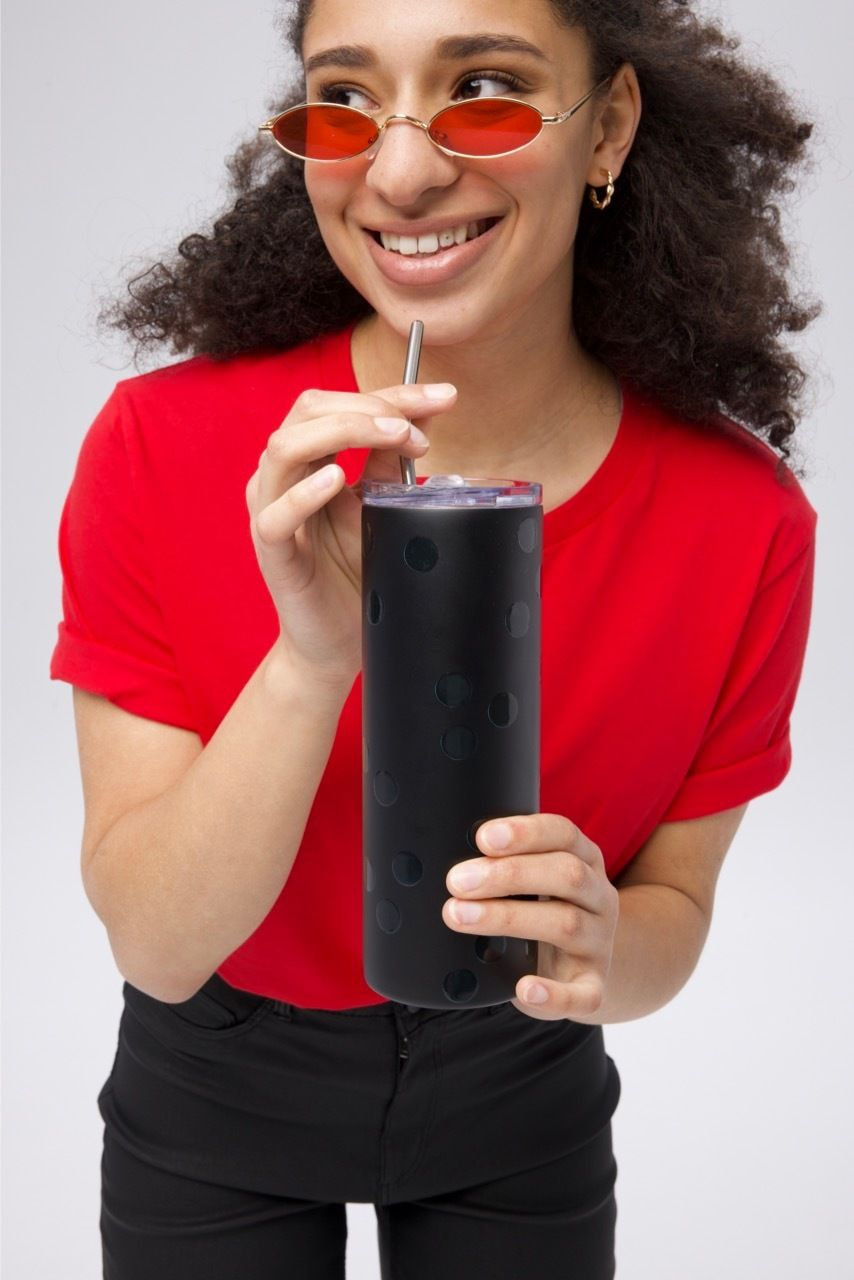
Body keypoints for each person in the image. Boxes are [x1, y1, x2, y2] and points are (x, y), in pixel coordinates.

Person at [49, 1, 820, 1276]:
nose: (398, 172)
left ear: (607, 126)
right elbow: (157, 944)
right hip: (213, 1082)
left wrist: (605, 945)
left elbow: (671, 906)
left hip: (522, 1093)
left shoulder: (742, 522)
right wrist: (311, 655)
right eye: (342, 102)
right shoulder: (159, 445)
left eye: (486, 88)